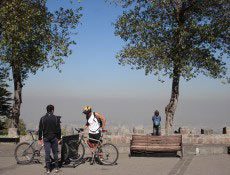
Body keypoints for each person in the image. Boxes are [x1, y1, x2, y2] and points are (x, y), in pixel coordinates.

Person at [38, 104, 61, 174]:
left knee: (47, 153)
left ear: (47, 110)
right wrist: (59, 138)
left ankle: (48, 169)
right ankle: (56, 168)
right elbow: (59, 129)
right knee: (55, 153)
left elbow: (40, 129)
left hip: (46, 138)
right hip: (54, 138)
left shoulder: (42, 118)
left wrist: (39, 138)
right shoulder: (56, 118)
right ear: (53, 110)